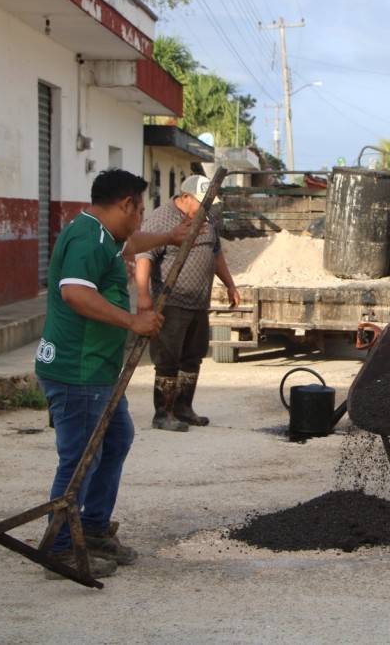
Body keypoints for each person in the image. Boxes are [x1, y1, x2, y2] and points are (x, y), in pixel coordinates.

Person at [35, 168, 195, 580]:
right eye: (140, 209)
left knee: (116, 438)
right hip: (78, 370)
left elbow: (133, 242)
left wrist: (170, 238)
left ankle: (91, 527)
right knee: (81, 458)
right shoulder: (88, 238)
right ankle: (61, 546)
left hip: (98, 372)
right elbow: (75, 293)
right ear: (125, 204)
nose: (141, 218)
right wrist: (131, 321)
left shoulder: (103, 235)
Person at [135, 176, 240, 432]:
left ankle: (183, 408)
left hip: (198, 303)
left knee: (193, 358)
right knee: (168, 358)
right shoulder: (163, 218)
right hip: (171, 303)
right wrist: (142, 295)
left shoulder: (207, 220)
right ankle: (163, 413)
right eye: (202, 203)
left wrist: (230, 284)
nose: (207, 208)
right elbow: (144, 256)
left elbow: (215, 253)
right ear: (185, 198)